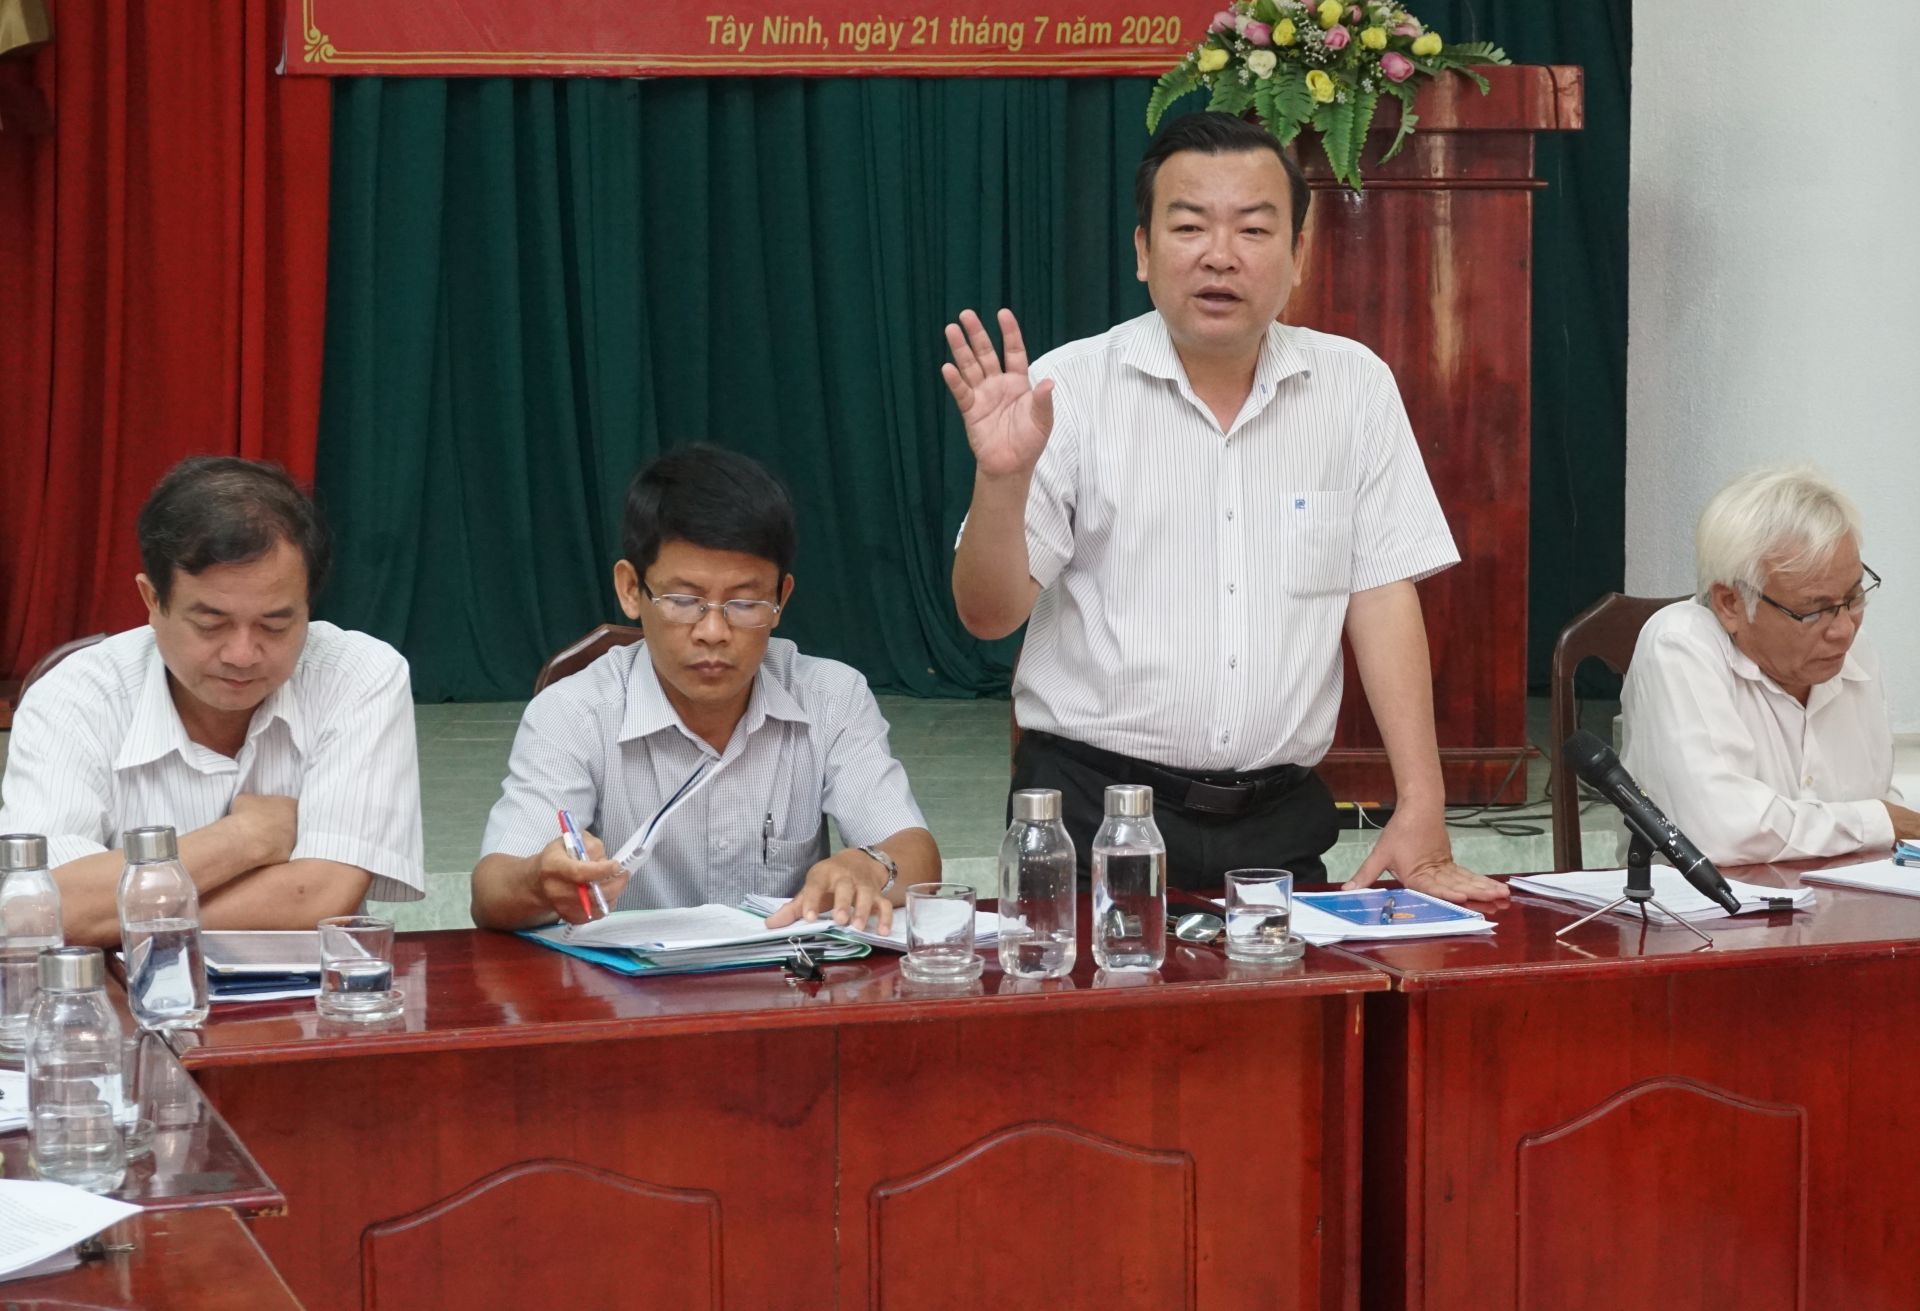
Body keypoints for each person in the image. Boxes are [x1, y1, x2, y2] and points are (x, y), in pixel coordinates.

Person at [945, 111, 1505, 904]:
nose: (1219, 255)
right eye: (1188, 226)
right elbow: (987, 615)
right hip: (1093, 813)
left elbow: (1381, 593)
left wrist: (1422, 798)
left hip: (1279, 821)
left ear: (1298, 255)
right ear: (1143, 251)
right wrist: (1001, 481)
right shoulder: (1066, 389)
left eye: (1252, 229)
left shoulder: (1354, 386)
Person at [470, 445, 938, 933]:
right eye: (683, 600)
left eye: (745, 603)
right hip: (623, 979)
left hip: (784, 975)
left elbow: (916, 854)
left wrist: (870, 866)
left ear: (781, 598)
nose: (713, 632)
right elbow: (491, 892)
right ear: (630, 589)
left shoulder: (831, 696)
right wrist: (540, 881)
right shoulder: (573, 711)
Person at [0, 456, 426, 946]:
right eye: (211, 623)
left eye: (275, 624)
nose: (242, 654)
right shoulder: (74, 694)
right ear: (152, 601)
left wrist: (112, 916)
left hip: (308, 993)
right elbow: (36, 909)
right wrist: (245, 838)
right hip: (120, 993)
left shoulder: (358, 675)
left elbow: (319, 897)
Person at [1619, 466, 1914, 865]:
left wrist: (1885, 826)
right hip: (1708, 904)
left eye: (1854, 597)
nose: (1844, 629)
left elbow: (1877, 803)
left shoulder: (1854, 653)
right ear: (1730, 603)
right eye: (1814, 610)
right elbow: (1722, 831)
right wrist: (1878, 821)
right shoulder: (1679, 643)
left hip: (1839, 898)